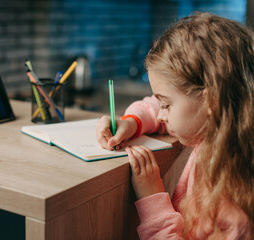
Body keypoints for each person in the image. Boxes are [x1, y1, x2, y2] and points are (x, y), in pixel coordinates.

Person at [96, 12, 253, 239]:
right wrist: (132, 122)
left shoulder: (233, 201)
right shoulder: (224, 127)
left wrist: (153, 198)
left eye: (166, 105)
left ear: (211, 101)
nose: (160, 115)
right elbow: (157, 105)